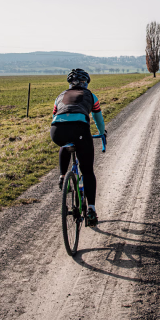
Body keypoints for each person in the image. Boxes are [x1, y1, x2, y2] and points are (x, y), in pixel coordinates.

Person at [50, 68, 106, 226]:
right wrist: (102, 133)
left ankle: (62, 177)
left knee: (65, 142)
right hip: (80, 130)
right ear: (85, 83)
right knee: (87, 171)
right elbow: (98, 119)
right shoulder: (90, 96)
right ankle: (91, 210)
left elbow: (55, 116)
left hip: (56, 131)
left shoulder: (59, 96)